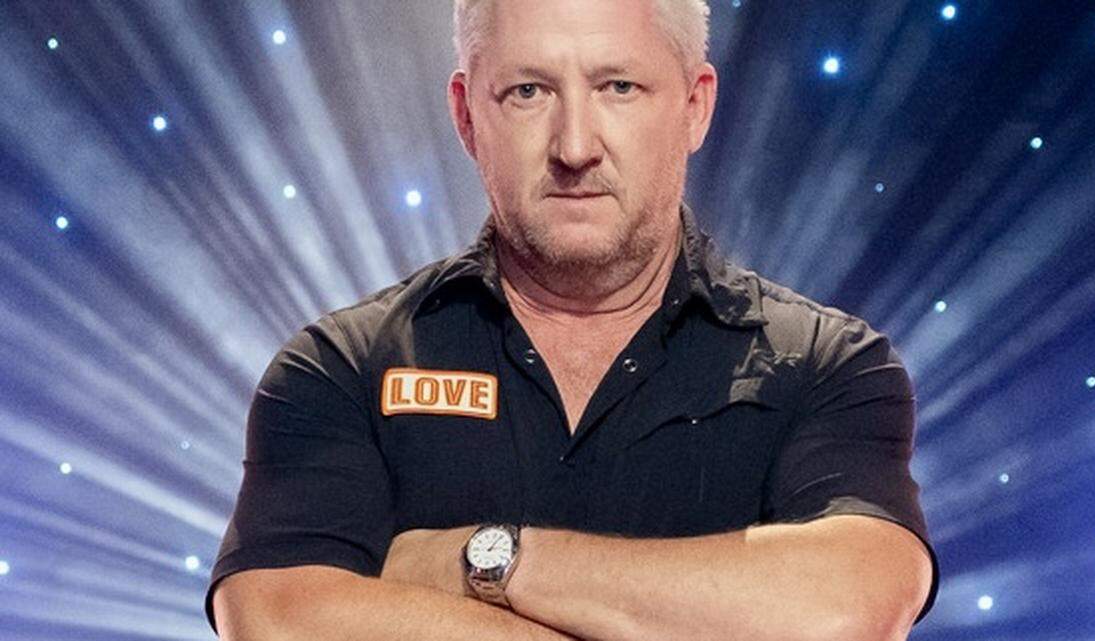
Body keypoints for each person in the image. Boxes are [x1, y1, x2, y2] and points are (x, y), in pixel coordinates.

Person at [207, 0, 939, 639]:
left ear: (695, 106)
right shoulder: (342, 369)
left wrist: (481, 561)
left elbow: (848, 612)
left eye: (618, 87)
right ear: (466, 115)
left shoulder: (827, 367)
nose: (575, 147)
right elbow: (279, 620)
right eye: (528, 92)